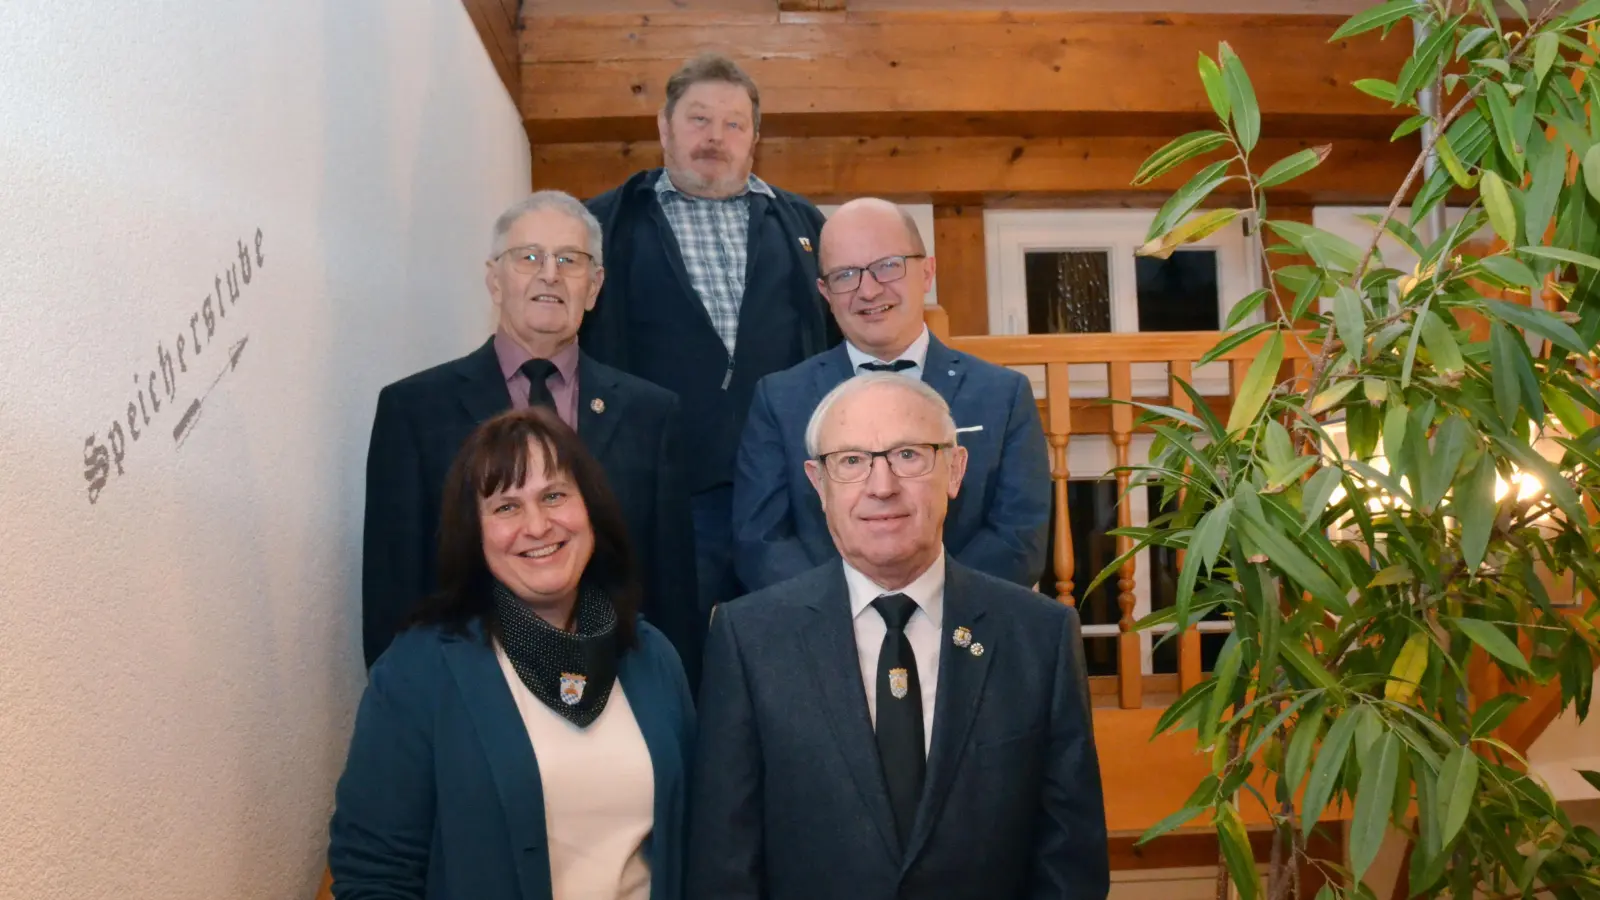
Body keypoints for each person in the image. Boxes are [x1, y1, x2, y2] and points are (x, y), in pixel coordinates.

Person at [690, 374, 1109, 900]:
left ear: (955, 470)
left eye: (908, 455)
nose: (881, 486)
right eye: (851, 461)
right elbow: (723, 864)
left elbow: (1071, 863)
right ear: (817, 484)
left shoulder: (1039, 636)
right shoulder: (749, 639)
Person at [331, 407, 694, 900]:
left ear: (590, 509)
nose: (538, 525)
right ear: (474, 535)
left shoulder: (650, 656)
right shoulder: (418, 672)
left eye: (555, 495)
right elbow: (374, 875)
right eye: (505, 507)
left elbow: (697, 841)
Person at [362, 191, 700, 683]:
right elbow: (393, 594)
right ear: (494, 280)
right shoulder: (413, 411)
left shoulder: (652, 414)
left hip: (620, 690)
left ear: (594, 286)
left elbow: (672, 595)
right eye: (529, 257)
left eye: (570, 260)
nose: (550, 274)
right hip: (468, 696)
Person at [581, 52, 837, 619]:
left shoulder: (808, 228)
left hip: (786, 491)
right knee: (676, 654)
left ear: (754, 138)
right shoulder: (601, 226)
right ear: (664, 126)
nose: (715, 138)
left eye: (733, 124)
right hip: (665, 492)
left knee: (788, 651)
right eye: (699, 119)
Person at [732, 197, 1050, 592]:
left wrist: (928, 604)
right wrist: (853, 611)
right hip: (823, 636)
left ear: (927, 271)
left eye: (887, 266)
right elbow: (761, 543)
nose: (868, 290)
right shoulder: (779, 400)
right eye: (846, 275)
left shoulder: (1003, 395)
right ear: (825, 292)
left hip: (964, 628)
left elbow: (1020, 539)